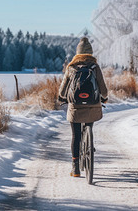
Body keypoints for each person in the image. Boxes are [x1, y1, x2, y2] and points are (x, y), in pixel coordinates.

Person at [58, 37, 108, 177]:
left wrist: (61, 98)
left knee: (76, 135)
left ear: (77, 53)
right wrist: (104, 97)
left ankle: (75, 168)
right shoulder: (94, 67)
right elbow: (103, 88)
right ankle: (89, 146)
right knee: (89, 125)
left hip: (75, 107)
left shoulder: (71, 67)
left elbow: (62, 90)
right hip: (92, 105)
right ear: (90, 53)